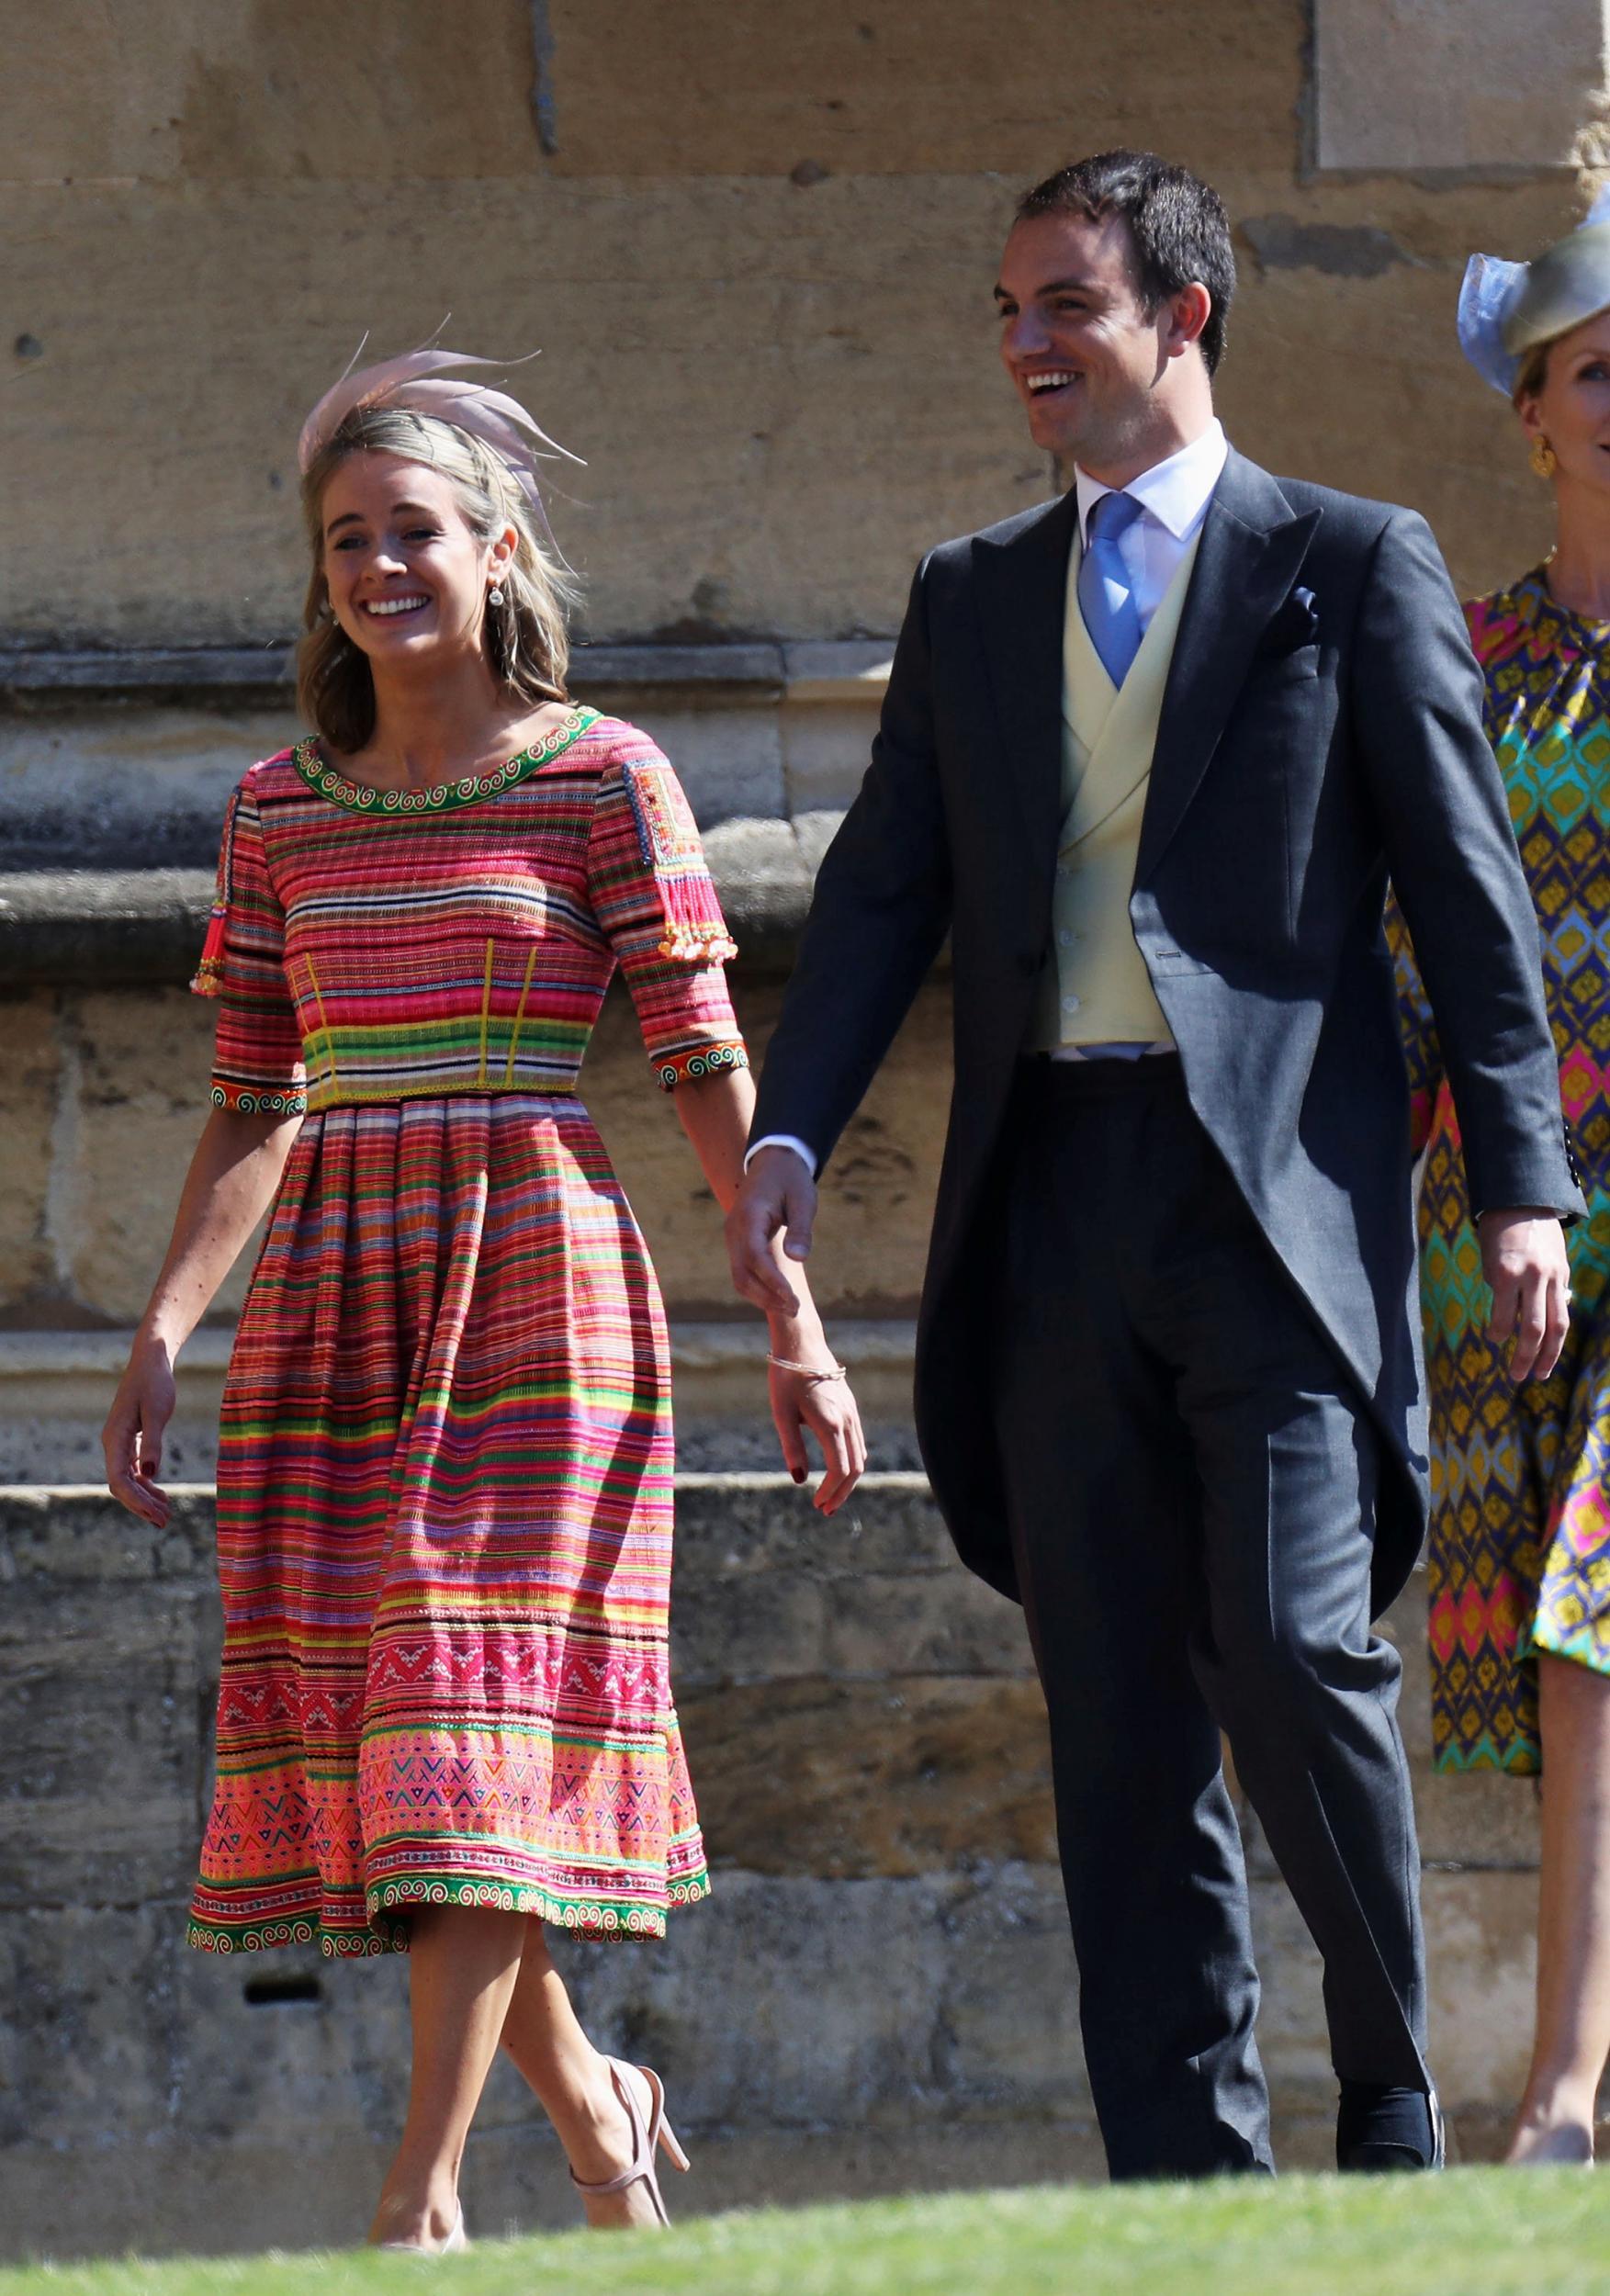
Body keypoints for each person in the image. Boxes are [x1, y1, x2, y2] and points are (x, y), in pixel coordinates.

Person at [726, 150, 1583, 2180]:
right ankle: (1181, 2181)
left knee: (1293, 1645)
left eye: (1064, 306)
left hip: (1274, 1206)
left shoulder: (1347, 561)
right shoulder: (968, 599)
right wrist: (788, 1124)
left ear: (1184, 316)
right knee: (1116, 1715)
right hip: (1045, 1200)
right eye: (1006, 313)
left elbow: (1471, 910)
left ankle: (1385, 2096)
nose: (1024, 345)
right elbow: (874, 900)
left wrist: (1520, 1182)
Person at [101, 350, 864, 2247]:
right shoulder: (276, 809)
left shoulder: (607, 773)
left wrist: (793, 1314)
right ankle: (601, 2109)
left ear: (496, 544)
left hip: (539, 1285)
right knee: (413, 1771)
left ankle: (417, 2199)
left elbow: (704, 1061)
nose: (380, 564)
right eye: (346, 539)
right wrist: (162, 1324)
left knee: (467, 1713)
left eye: (414, 530)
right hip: (333, 1306)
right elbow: (254, 1100)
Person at [1390, 194, 1610, 2166]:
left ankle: (1560, 2087)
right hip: (1527, 1219)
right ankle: (1564, 2080)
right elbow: (1406, 957)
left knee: (1591, 1623)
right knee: (1572, 1635)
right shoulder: (1462, 664)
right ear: (1532, 411)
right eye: (1601, 364)